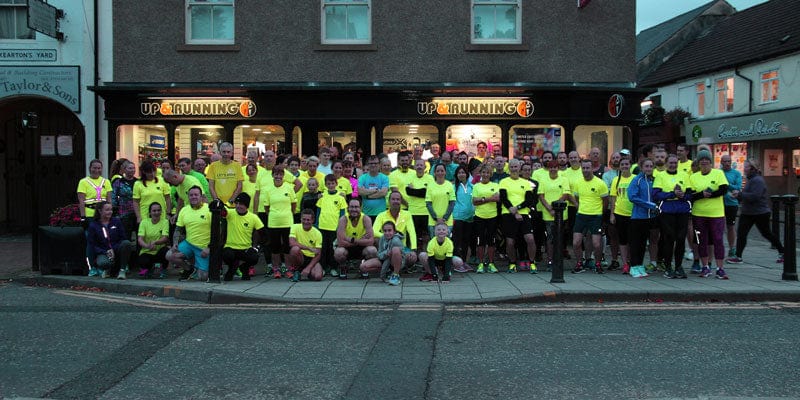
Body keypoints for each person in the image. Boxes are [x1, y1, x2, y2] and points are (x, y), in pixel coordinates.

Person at [727, 159, 785, 264]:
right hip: (748, 212)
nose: (744, 169)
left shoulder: (757, 180)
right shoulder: (751, 180)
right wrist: (738, 195)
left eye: (746, 167)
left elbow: (755, 196)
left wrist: (740, 194)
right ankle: (738, 256)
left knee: (766, 233)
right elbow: (748, 196)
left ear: (752, 169)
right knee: (742, 234)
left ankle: (783, 251)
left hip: (760, 212)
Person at [688, 149, 729, 279]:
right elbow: (691, 195)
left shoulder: (718, 173)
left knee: (718, 240)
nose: (704, 162)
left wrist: (709, 195)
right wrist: (701, 195)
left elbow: (723, 189)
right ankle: (705, 266)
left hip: (716, 214)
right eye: (702, 160)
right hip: (698, 214)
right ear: (698, 163)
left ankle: (720, 268)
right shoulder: (693, 176)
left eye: (707, 160)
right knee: (701, 240)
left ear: (711, 162)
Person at [653, 154, 691, 278]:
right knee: (669, 238)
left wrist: (683, 196)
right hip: (667, 211)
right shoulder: (660, 176)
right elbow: (656, 195)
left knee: (681, 239)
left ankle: (679, 266)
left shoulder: (684, 175)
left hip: (682, 210)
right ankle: (668, 266)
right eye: (671, 163)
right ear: (666, 163)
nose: (673, 165)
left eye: (675, 163)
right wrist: (671, 194)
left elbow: (691, 194)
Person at [499, 158, 538, 273]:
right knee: (510, 242)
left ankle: (532, 263)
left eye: (516, 167)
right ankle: (512, 263)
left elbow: (529, 200)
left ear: (519, 168)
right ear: (509, 168)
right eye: (512, 167)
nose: (514, 169)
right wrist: (515, 212)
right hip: (508, 213)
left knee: (530, 239)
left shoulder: (526, 183)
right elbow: (504, 198)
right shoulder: (504, 182)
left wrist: (518, 209)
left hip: (524, 214)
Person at [570, 159, 609, 274]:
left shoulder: (600, 183)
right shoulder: (578, 182)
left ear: (592, 168)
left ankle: (597, 263)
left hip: (595, 217)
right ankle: (579, 263)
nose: (585, 170)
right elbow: (576, 199)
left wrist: (600, 213)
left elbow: (605, 201)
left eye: (588, 168)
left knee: (597, 244)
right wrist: (581, 209)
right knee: (576, 243)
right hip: (581, 216)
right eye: (584, 168)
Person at [168, 186, 212, 281]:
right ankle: (189, 269)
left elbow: (218, 232)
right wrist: (175, 243)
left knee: (203, 277)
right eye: (191, 195)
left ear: (201, 196)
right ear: (188, 197)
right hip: (189, 244)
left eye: (196, 195)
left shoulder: (209, 209)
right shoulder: (184, 210)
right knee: (170, 255)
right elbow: (178, 229)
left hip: (203, 248)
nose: (193, 197)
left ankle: (198, 267)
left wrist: (209, 248)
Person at [537, 160, 574, 270]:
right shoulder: (543, 180)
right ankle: (549, 260)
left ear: (558, 168)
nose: (553, 169)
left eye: (555, 167)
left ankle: (558, 260)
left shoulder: (563, 179)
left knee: (560, 238)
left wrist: (555, 207)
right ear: (548, 168)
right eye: (551, 167)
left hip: (561, 213)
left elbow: (565, 194)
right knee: (550, 237)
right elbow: (541, 196)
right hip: (548, 214)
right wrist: (549, 208)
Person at [263, 167, 298, 279]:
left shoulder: (289, 187)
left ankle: (288, 269)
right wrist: (275, 215)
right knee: (275, 247)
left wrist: (287, 214)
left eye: (280, 174)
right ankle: (276, 269)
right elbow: (266, 207)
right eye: (276, 174)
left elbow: (293, 204)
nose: (278, 177)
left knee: (287, 247)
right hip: (273, 223)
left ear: (283, 176)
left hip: (287, 222)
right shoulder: (268, 189)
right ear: (272, 175)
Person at [627, 158, 659, 277]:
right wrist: (650, 205)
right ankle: (633, 267)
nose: (649, 168)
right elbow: (632, 197)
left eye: (651, 166)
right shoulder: (637, 180)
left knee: (642, 244)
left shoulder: (653, 180)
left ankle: (640, 266)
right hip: (637, 217)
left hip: (649, 217)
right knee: (635, 243)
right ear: (641, 167)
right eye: (646, 166)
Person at [87, 201, 135, 279]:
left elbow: (123, 238)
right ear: (100, 211)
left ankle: (122, 270)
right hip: (103, 251)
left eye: (111, 210)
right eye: (107, 210)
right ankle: (108, 270)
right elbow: (92, 245)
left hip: (116, 249)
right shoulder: (93, 225)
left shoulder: (116, 221)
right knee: (103, 263)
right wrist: (105, 251)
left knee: (127, 243)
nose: (110, 212)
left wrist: (113, 249)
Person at [221, 192, 264, 281]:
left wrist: (256, 247)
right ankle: (233, 268)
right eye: (237, 203)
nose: (238, 206)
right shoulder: (231, 213)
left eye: (241, 204)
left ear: (247, 206)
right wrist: (221, 204)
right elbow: (223, 212)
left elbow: (262, 232)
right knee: (227, 255)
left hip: (245, 248)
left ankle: (244, 268)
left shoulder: (253, 217)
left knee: (254, 257)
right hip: (230, 247)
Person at [334, 198, 377, 278]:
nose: (354, 209)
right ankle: (343, 267)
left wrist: (351, 240)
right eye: (351, 207)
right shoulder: (343, 219)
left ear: (361, 208)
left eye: (356, 207)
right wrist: (361, 240)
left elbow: (371, 241)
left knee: (372, 250)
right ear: (348, 208)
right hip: (347, 248)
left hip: (358, 247)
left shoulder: (366, 219)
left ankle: (364, 266)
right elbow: (340, 243)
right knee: (339, 252)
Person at [360, 221, 412, 286]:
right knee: (363, 267)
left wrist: (390, 254)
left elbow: (402, 255)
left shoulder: (396, 240)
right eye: (385, 231)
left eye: (389, 230)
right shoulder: (382, 238)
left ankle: (396, 274)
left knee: (395, 249)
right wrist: (386, 253)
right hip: (384, 259)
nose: (387, 233)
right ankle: (388, 272)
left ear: (394, 231)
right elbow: (379, 254)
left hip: (395, 262)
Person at [317, 174, 348, 276]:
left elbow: (342, 213)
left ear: (336, 184)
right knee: (324, 248)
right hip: (322, 226)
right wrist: (317, 224)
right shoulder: (322, 196)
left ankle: (334, 267)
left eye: (332, 183)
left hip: (334, 227)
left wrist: (341, 227)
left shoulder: (340, 197)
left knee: (332, 248)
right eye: (328, 184)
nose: (331, 185)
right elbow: (318, 211)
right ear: (325, 184)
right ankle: (324, 267)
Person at [472, 164, 500, 273]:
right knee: (480, 241)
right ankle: (480, 263)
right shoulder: (476, 186)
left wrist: (482, 199)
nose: (485, 174)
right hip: (479, 216)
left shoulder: (495, 185)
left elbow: (497, 198)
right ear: (480, 173)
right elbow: (474, 201)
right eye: (483, 172)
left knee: (491, 241)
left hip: (492, 216)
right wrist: (489, 198)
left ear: (491, 174)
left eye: (488, 172)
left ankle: (491, 263)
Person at [609, 158, 635, 274]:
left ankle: (632, 262)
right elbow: (613, 198)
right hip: (620, 213)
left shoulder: (635, 178)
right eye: (622, 164)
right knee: (623, 239)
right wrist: (612, 214)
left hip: (634, 213)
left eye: (627, 164)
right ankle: (625, 263)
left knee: (632, 239)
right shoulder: (616, 180)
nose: (625, 166)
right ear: (619, 167)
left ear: (630, 165)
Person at [405, 158, 436, 250]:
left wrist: (414, 190)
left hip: (426, 212)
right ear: (414, 166)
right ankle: (414, 256)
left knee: (427, 236)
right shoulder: (410, 177)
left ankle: (425, 254)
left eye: (421, 165)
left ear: (425, 167)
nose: (419, 167)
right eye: (417, 165)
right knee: (413, 235)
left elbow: (428, 193)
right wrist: (422, 191)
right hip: (413, 212)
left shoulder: (430, 178)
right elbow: (408, 192)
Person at [288, 209, 324, 282]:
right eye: (303, 219)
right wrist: (309, 248)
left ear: (313, 220)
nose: (305, 222)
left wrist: (309, 267)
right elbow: (292, 242)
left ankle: (306, 271)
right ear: (300, 219)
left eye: (308, 220)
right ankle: (296, 271)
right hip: (300, 256)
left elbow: (318, 254)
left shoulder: (317, 233)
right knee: (295, 249)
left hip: (311, 258)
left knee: (318, 277)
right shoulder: (294, 227)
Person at [136, 202, 170, 279]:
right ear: (150, 212)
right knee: (143, 262)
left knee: (166, 251)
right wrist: (147, 246)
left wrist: (155, 242)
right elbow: (140, 239)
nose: (156, 212)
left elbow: (165, 238)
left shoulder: (165, 222)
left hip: (159, 251)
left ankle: (163, 269)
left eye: (158, 210)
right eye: (154, 211)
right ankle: (147, 270)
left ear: (161, 212)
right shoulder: (144, 222)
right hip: (147, 251)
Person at [133, 160, 172, 225]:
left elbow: (168, 198)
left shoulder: (162, 181)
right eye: (149, 172)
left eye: (154, 171)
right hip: (145, 216)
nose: (152, 174)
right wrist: (138, 217)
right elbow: (135, 202)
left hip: (161, 215)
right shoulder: (137, 184)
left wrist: (168, 213)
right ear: (144, 172)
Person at [451, 165, 474, 272]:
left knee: (466, 241)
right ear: (456, 175)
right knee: (457, 241)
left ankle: (464, 262)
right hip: (457, 217)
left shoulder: (472, 186)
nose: (461, 174)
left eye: (463, 172)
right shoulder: (453, 187)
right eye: (459, 173)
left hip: (469, 218)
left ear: (467, 174)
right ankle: (456, 263)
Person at [206, 142, 243, 207]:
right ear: (220, 152)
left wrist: (231, 201)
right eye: (224, 152)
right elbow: (211, 187)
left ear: (232, 153)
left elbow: (239, 186)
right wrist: (217, 200)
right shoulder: (213, 166)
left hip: (233, 204)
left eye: (228, 152)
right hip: (218, 204)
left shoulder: (237, 166)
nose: (226, 154)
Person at [720, 154, 742, 259]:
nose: (727, 163)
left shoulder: (736, 173)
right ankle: (718, 247)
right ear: (721, 162)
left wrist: (726, 184)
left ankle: (732, 248)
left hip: (732, 204)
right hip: (719, 203)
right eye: (725, 161)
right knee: (718, 226)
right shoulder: (718, 173)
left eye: (728, 161)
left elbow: (737, 187)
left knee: (731, 226)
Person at [425, 163, 456, 237]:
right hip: (433, 222)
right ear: (434, 173)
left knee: (446, 244)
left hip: (447, 222)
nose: (440, 173)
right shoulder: (430, 186)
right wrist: (436, 218)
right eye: (438, 171)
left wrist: (445, 218)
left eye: (442, 171)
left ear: (445, 172)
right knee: (434, 244)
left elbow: (452, 203)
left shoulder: (449, 185)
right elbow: (428, 204)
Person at [111, 159, 138, 239]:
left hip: (138, 213)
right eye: (130, 168)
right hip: (124, 214)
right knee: (125, 236)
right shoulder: (118, 182)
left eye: (133, 168)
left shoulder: (138, 182)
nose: (132, 170)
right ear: (124, 170)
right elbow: (113, 197)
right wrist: (115, 212)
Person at [358, 155, 390, 220]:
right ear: (368, 165)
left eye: (375, 163)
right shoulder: (362, 178)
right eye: (371, 163)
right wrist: (376, 190)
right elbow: (360, 191)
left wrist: (367, 195)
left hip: (381, 214)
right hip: (366, 213)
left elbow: (383, 193)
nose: (373, 165)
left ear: (379, 165)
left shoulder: (384, 178)